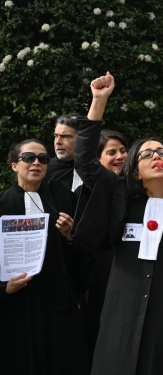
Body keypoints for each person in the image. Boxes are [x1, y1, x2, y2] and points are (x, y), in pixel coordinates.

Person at [73, 72, 163, 375]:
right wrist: (99, 101)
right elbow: (85, 161)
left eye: (162, 152)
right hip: (121, 319)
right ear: (135, 171)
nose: (157, 156)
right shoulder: (120, 202)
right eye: (147, 154)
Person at [0, 139, 90, 374]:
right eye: (29, 158)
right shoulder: (3, 203)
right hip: (17, 304)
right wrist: (4, 288)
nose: (36, 163)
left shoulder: (61, 197)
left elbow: (82, 254)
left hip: (57, 300)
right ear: (14, 165)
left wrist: (69, 236)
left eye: (43, 159)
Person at [84, 128, 129, 358]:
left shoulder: (138, 191)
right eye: (112, 152)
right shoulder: (87, 193)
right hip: (97, 283)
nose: (120, 156)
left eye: (123, 150)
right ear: (98, 159)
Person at [46, 112, 84, 191]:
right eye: (56, 136)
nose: (58, 142)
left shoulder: (94, 168)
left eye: (65, 136)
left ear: (81, 139)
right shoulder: (45, 169)